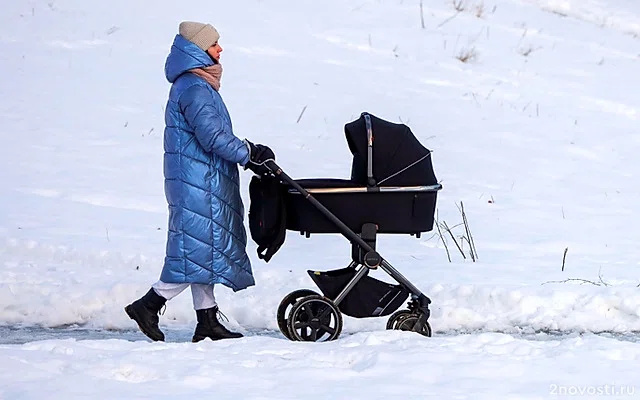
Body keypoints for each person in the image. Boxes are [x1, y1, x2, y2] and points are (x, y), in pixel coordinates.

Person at [125, 21, 275, 342]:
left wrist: (249, 153)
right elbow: (212, 136)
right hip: (199, 183)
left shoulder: (196, 85)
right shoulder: (194, 87)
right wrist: (249, 153)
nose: (220, 50)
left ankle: (207, 322)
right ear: (197, 49)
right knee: (194, 252)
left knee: (202, 250)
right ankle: (148, 305)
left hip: (202, 180)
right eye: (214, 45)